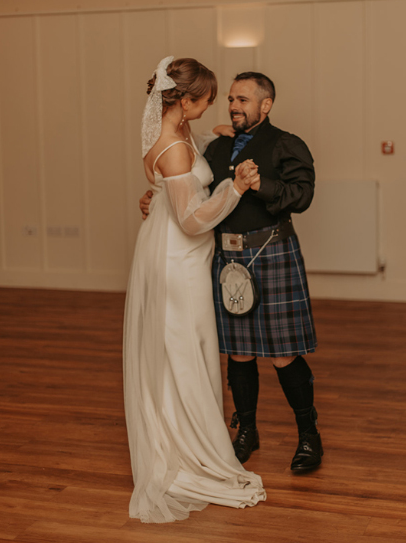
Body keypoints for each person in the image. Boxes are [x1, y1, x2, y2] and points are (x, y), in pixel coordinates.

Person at [140, 72, 322, 473]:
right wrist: (156, 200)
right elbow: (190, 190)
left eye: (243, 100)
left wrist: (261, 186)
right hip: (226, 258)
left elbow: (303, 195)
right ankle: (247, 431)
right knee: (239, 355)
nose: (234, 106)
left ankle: (308, 435)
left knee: (283, 356)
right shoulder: (217, 146)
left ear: (266, 105)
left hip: (272, 253)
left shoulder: (286, 143)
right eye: (231, 100)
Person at [124, 56, 266, 523]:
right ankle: (189, 451)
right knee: (186, 347)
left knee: (180, 347)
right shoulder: (175, 145)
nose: (211, 106)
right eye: (206, 100)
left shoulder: (175, 133)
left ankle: (183, 432)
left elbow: (174, 183)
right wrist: (235, 189)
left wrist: (211, 138)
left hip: (169, 248)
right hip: (178, 258)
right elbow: (190, 220)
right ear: (184, 100)